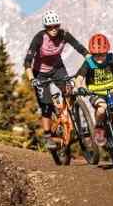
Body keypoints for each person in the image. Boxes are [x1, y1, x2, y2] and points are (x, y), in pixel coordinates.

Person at [23, 10, 89, 149]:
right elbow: (28, 61)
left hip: (58, 69)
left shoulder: (64, 35)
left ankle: (76, 122)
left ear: (59, 26)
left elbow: (79, 47)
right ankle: (48, 136)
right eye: (49, 27)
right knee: (46, 106)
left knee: (70, 91)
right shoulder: (39, 38)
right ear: (45, 28)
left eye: (55, 26)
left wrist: (90, 58)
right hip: (40, 73)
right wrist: (31, 78)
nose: (53, 30)